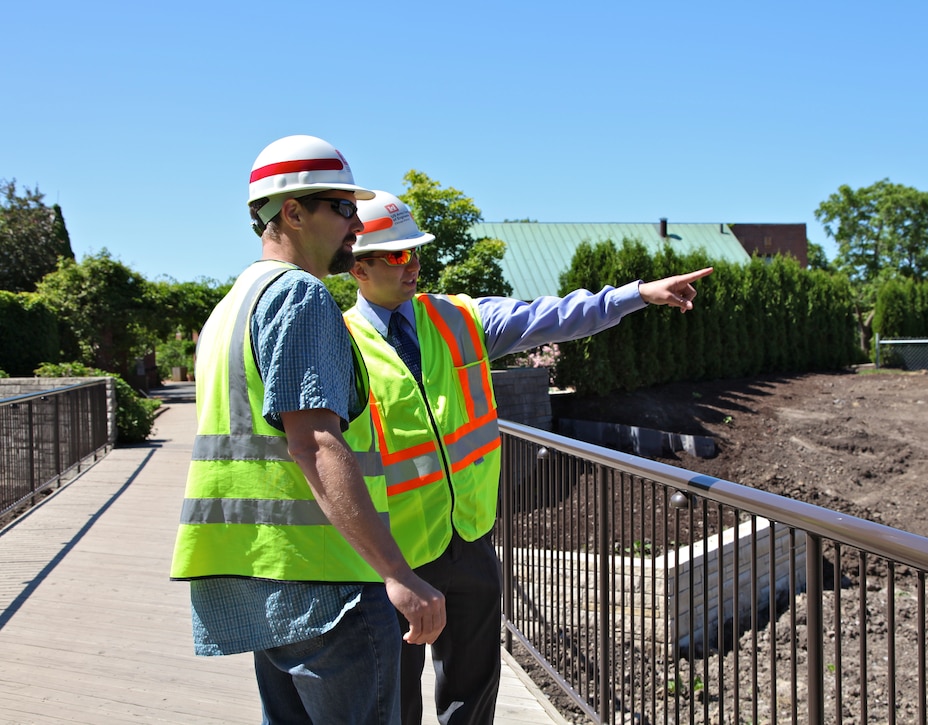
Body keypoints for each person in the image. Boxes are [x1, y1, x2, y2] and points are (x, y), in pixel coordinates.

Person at [341, 190, 713, 725]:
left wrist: (638, 294)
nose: (414, 265)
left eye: (417, 251)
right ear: (358, 266)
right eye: (398, 255)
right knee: (392, 703)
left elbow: (555, 315)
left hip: (469, 542)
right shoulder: (340, 342)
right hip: (394, 559)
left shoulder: (459, 319)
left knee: (472, 698)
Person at [169, 137, 445, 725]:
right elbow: (315, 442)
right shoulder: (300, 295)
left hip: (264, 581)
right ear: (291, 212)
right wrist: (397, 573)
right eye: (343, 208)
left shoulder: (233, 304)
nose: (356, 225)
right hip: (330, 585)